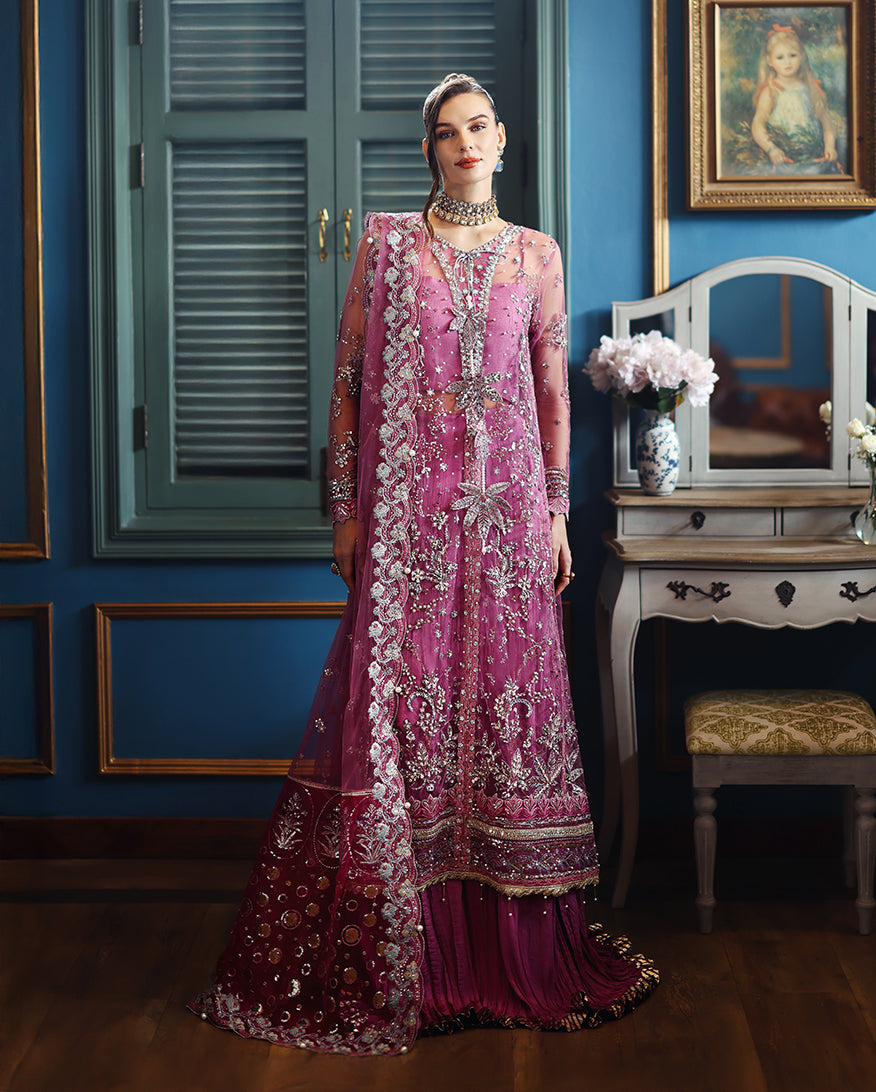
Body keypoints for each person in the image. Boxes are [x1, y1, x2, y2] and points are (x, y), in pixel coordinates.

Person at [189, 73, 657, 1056]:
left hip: (512, 519)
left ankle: (510, 954)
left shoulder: (536, 253)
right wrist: (348, 515)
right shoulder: (390, 244)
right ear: (430, 149)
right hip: (410, 521)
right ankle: (417, 953)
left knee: (508, 706)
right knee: (410, 709)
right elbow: (348, 382)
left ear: (503, 138)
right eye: (448, 133)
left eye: (479, 127)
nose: (466, 143)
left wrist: (558, 515)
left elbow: (550, 392)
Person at [751, 24, 839, 174]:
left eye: (792, 55)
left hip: (813, 156)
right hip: (784, 158)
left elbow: (827, 123)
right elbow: (758, 124)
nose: (787, 62)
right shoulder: (771, 91)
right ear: (770, 61)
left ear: (801, 56)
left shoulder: (811, 88)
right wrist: (771, 149)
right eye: (780, 57)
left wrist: (830, 146)